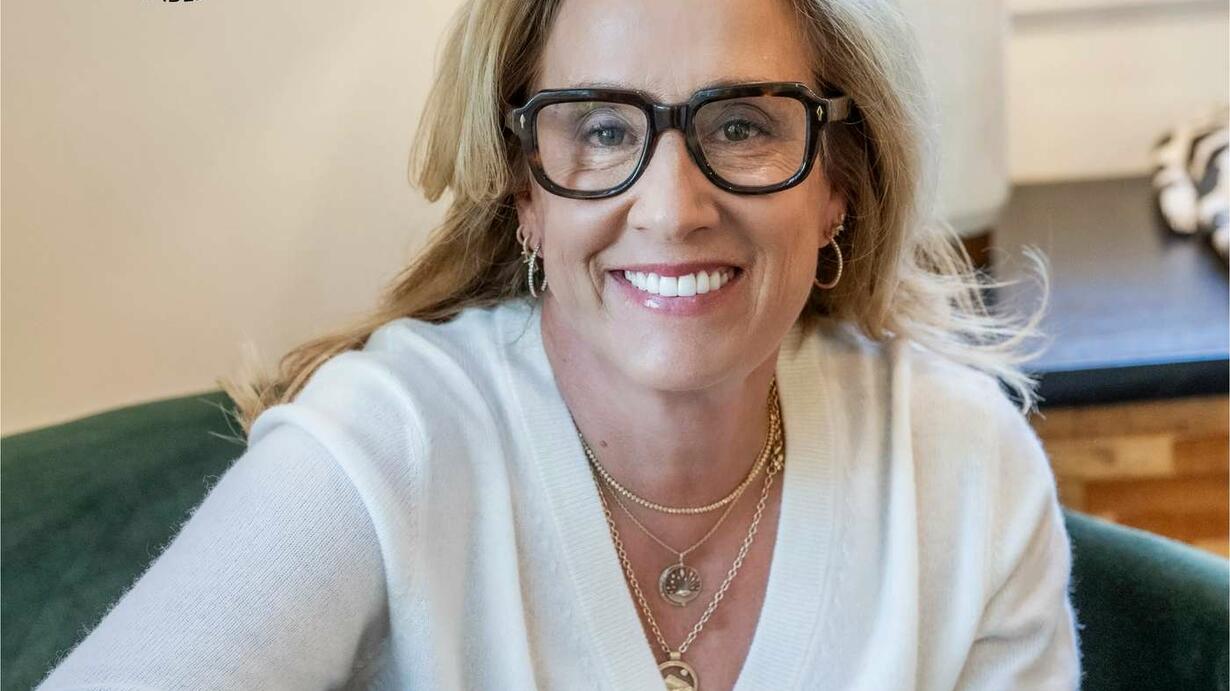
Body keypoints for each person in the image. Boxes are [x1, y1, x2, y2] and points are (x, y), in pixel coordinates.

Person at [38, 0, 1082, 688]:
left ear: (839, 183)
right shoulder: (384, 445)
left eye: (741, 125)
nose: (672, 209)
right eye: (603, 129)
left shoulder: (961, 465)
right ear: (524, 195)